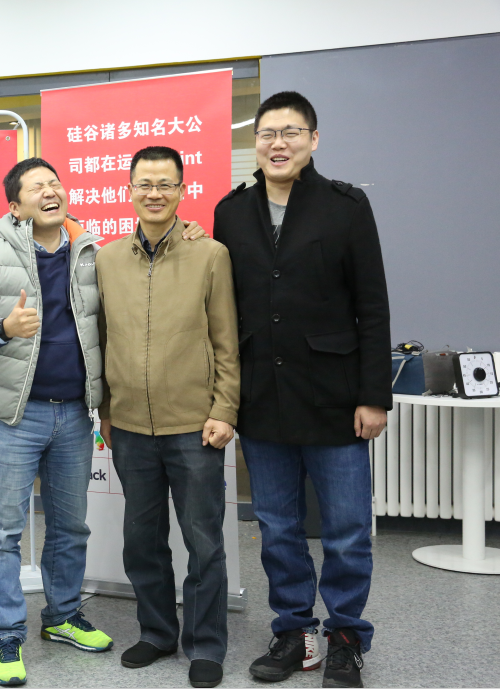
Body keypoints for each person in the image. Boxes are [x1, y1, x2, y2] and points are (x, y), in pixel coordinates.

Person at [208, 91, 391, 689]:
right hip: (263, 395)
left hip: (335, 396)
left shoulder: (346, 206)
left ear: (313, 139)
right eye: (267, 133)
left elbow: (372, 305)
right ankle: (293, 630)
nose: (278, 143)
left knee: (345, 529)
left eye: (291, 132)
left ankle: (345, 636)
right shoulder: (232, 211)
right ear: (255, 143)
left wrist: (373, 396)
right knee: (277, 526)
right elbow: (225, 307)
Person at [0, 157, 110, 687]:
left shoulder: (89, 252)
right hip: (11, 419)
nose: (50, 191)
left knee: (70, 525)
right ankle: (6, 635)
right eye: (37, 187)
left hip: (74, 414)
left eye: (55, 183)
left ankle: (62, 616)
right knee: (2, 531)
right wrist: (3, 328)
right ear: (15, 206)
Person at [97, 146, 239, 689]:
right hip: (130, 425)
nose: (154, 193)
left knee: (203, 542)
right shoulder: (107, 259)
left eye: (165, 184)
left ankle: (205, 644)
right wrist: (107, 411)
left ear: (182, 190)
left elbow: (226, 342)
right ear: (129, 191)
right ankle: (157, 632)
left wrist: (224, 409)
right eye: (145, 184)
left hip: (194, 425)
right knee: (142, 540)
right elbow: (103, 340)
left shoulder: (211, 255)